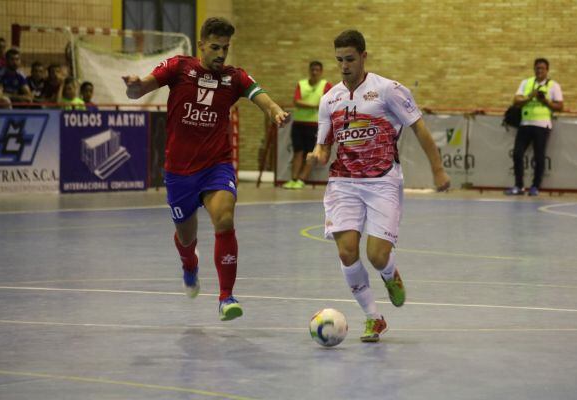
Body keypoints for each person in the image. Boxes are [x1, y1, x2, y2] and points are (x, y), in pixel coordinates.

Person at [122, 17, 288, 320]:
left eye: (225, 48)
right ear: (201, 45)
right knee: (186, 238)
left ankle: (226, 297)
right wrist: (135, 88)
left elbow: (260, 96)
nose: (221, 54)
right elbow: (141, 89)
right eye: (215, 47)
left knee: (224, 219)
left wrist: (275, 110)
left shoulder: (233, 77)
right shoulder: (179, 67)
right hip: (179, 172)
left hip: (216, 166)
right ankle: (189, 264)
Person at [307, 30, 450, 342]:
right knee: (346, 252)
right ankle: (374, 317)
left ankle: (389, 273)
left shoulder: (388, 90)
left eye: (350, 59)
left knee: (376, 255)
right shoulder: (330, 98)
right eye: (339, 60)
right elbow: (324, 144)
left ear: (363, 57)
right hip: (343, 182)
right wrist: (317, 154)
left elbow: (421, 131)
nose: (344, 65)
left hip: (382, 181)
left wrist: (438, 170)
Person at [504, 58, 563, 196]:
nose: (539, 70)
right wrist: (530, 97)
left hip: (542, 125)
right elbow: (516, 100)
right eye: (537, 68)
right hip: (525, 124)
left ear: (547, 70)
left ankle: (535, 186)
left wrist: (546, 101)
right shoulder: (526, 83)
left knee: (539, 157)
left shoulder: (553, 85)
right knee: (517, 153)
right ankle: (518, 186)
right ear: (534, 69)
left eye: (542, 68)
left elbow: (560, 106)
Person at [282, 61, 333, 189]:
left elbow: (329, 102)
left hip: (315, 125)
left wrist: (314, 106)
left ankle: (301, 180)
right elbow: (297, 102)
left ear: (321, 72)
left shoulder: (326, 85)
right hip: (298, 124)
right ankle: (293, 179)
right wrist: (315, 106)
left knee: (311, 153)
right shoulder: (301, 84)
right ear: (309, 70)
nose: (314, 72)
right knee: (297, 152)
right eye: (312, 70)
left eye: (317, 70)